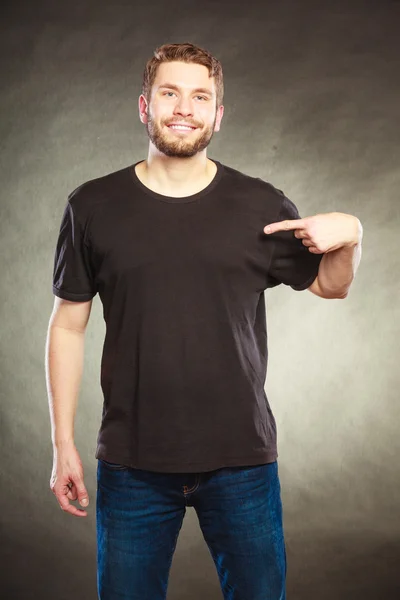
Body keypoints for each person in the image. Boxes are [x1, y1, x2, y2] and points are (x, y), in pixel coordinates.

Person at [45, 42, 363, 600]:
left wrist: (354, 233)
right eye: (170, 93)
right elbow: (68, 326)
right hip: (131, 463)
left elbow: (331, 286)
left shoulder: (260, 205)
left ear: (218, 114)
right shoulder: (93, 206)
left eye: (200, 97)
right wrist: (61, 443)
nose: (184, 108)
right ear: (145, 106)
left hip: (241, 460)